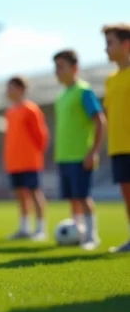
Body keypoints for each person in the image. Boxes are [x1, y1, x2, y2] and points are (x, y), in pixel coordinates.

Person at [52, 49, 106, 250]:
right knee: (73, 197)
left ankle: (92, 236)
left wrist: (93, 151)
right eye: (55, 67)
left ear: (74, 68)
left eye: (61, 67)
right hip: (64, 156)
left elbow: (100, 121)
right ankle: (78, 231)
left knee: (83, 196)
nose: (57, 71)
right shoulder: (61, 96)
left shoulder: (84, 91)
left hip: (80, 155)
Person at [3, 76, 50, 241]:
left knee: (34, 193)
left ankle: (41, 228)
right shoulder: (10, 111)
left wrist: (35, 154)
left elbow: (41, 136)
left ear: (21, 89)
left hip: (30, 161)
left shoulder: (31, 109)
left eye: (11, 87)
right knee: (20, 194)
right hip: (14, 162)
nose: (8, 91)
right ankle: (24, 228)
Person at [101, 23, 130, 253]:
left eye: (110, 43)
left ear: (126, 44)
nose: (106, 49)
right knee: (127, 195)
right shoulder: (110, 80)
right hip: (119, 146)